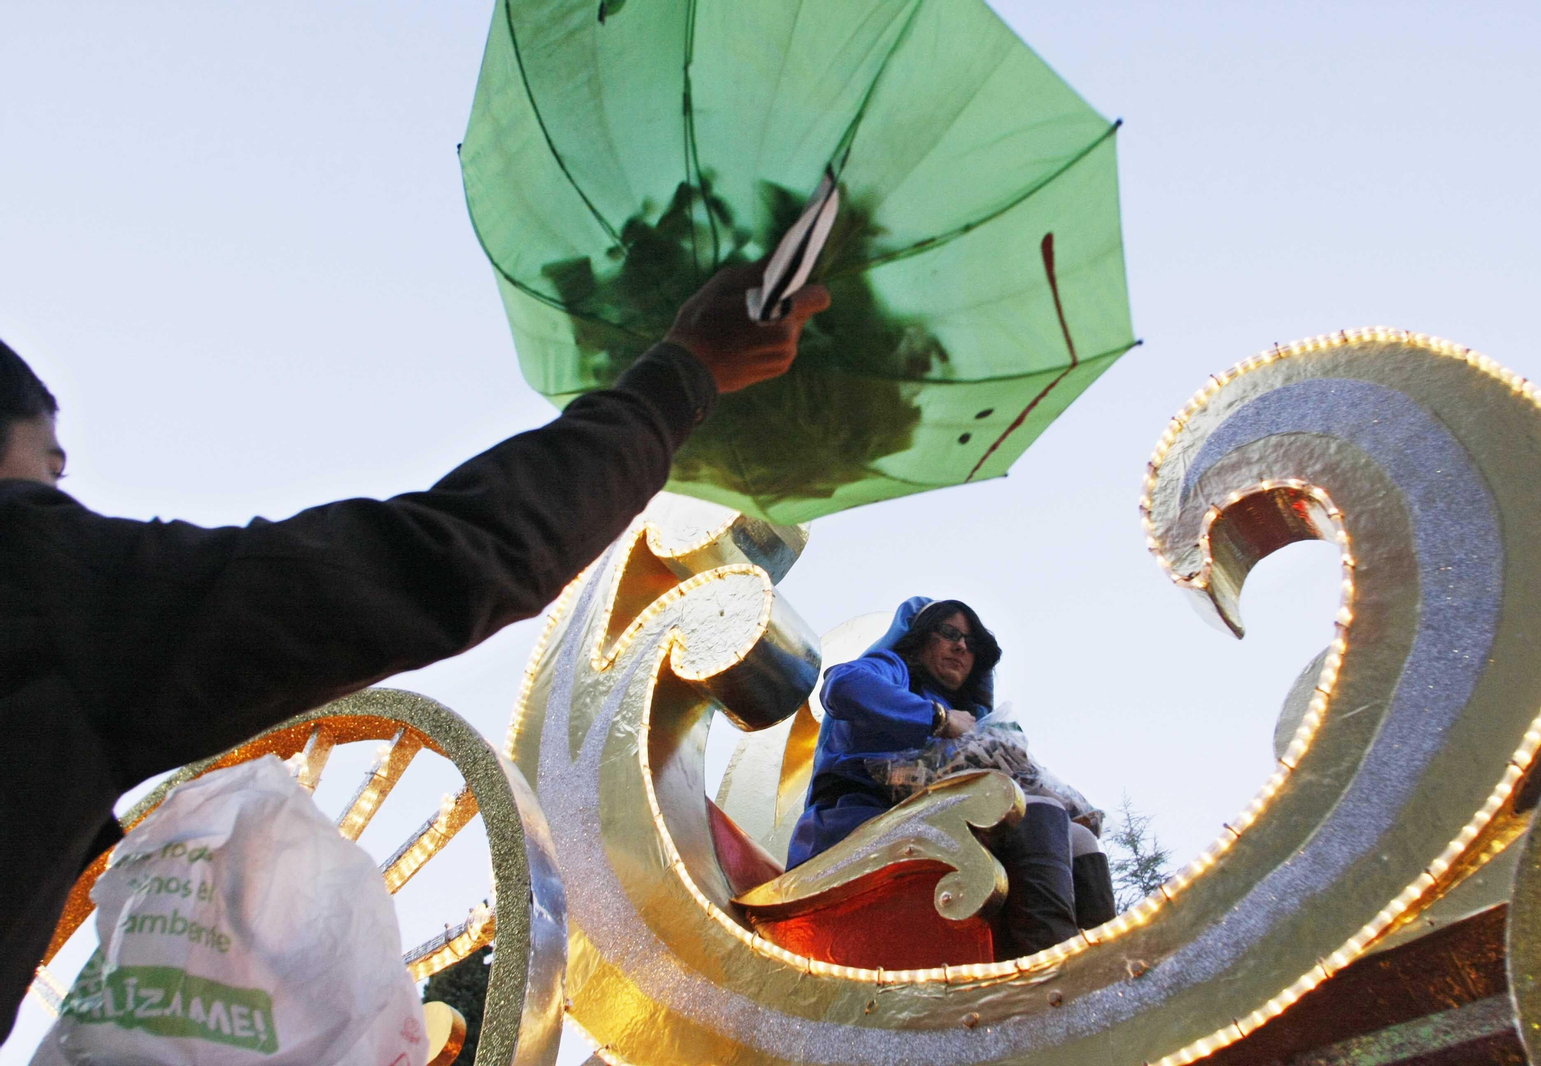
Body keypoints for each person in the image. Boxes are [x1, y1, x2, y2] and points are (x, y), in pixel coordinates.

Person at [0, 262, 828, 1042]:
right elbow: (447, 556)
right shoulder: (42, 583)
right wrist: (682, 373)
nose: (58, 489)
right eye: (47, 469)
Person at [788, 596, 1115, 960]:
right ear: (922, 638)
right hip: (855, 824)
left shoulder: (972, 717)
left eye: (972, 644)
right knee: (1034, 815)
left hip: (934, 823)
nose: (961, 646)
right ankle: (1046, 969)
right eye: (949, 633)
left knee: (1079, 837)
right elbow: (843, 685)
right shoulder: (896, 671)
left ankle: (1097, 966)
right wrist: (938, 719)